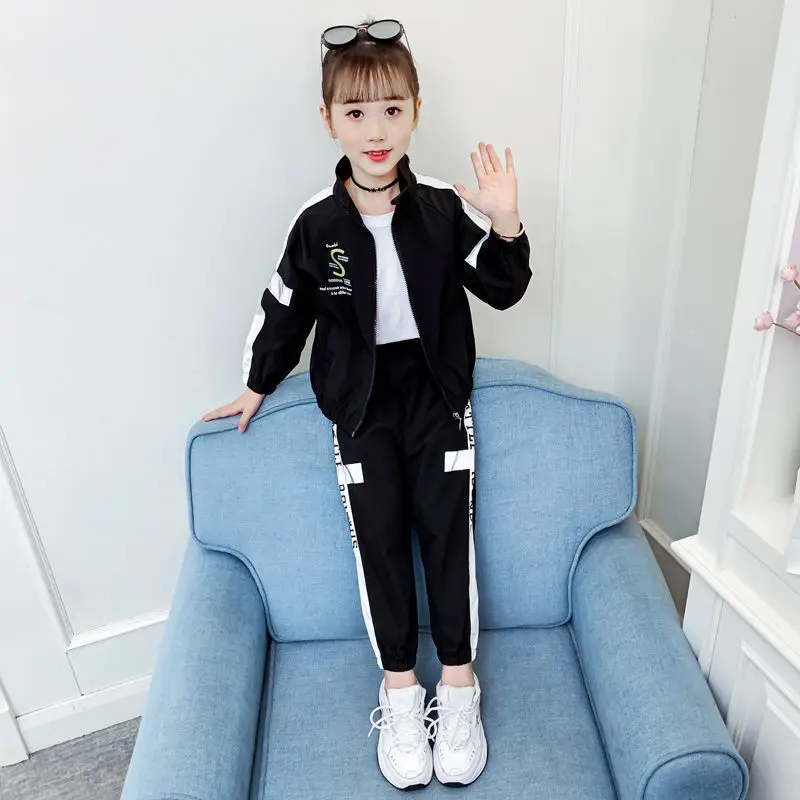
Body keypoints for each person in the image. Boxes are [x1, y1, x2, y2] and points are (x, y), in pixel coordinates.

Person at [202, 17, 531, 790]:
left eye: (391, 109)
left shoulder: (444, 209)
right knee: (379, 543)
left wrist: (506, 219)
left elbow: (502, 287)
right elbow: (285, 306)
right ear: (328, 120)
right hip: (360, 406)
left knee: (448, 538)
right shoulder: (318, 225)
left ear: (416, 111)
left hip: (437, 397)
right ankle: (401, 691)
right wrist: (258, 381)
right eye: (355, 112)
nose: (375, 130)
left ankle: (458, 689)